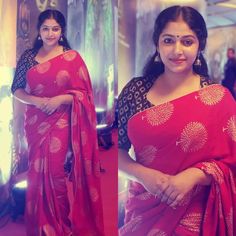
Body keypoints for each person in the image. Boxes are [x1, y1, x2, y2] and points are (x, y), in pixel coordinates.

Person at [118, 5, 236, 236]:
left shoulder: (217, 98)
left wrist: (193, 176)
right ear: (157, 43)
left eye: (187, 42)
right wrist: (142, 175)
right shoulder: (135, 91)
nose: (177, 50)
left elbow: (232, 161)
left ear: (200, 45)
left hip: (198, 213)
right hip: (144, 207)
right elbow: (115, 151)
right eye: (169, 40)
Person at [11, 9, 104, 236]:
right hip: (35, 121)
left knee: (54, 172)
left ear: (61, 32)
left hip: (61, 119)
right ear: (39, 31)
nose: (50, 33)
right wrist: (36, 101)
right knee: (36, 173)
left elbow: (85, 95)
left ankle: (60, 225)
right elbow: (17, 89)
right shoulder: (28, 57)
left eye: (55, 29)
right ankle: (42, 225)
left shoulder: (72, 58)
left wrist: (59, 99)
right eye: (45, 28)